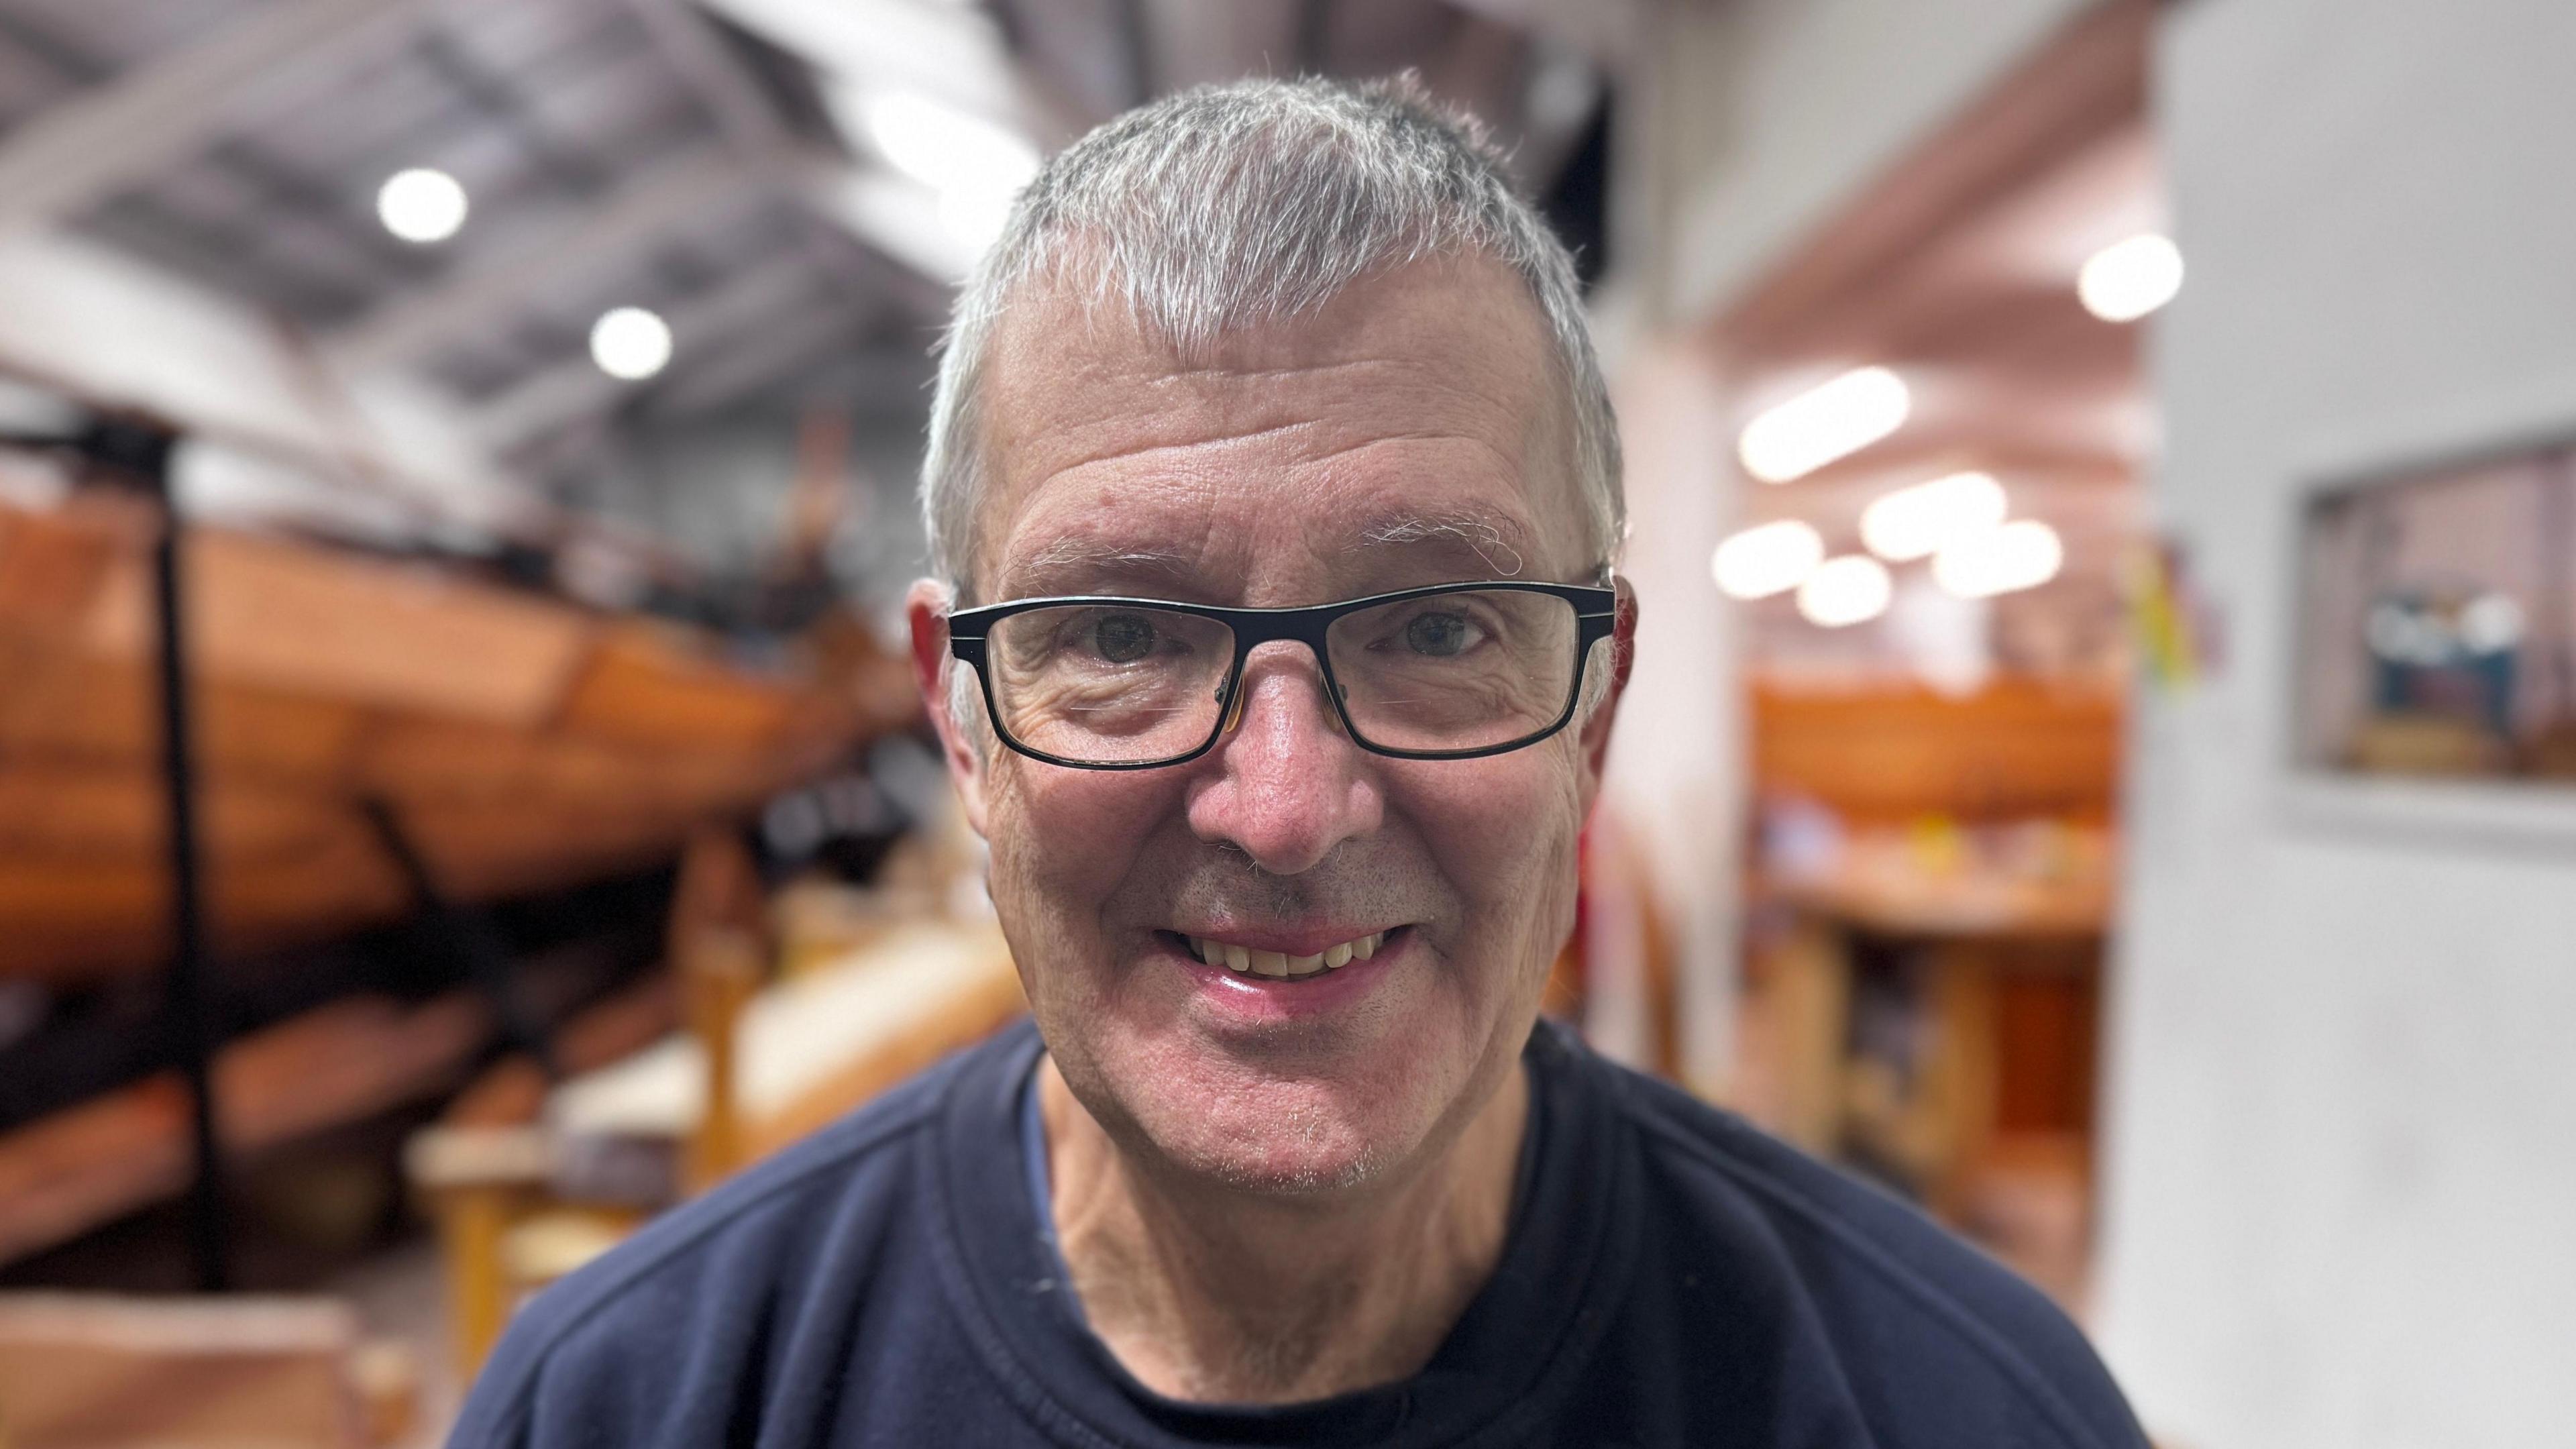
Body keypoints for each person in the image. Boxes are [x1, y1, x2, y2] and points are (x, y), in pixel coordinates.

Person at [451, 76, 2148, 1449]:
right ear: (960, 721)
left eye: (1434, 629)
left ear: (1599, 708)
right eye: (1121, 635)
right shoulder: (632, 1400)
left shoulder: (1963, 1406)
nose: (1283, 807)